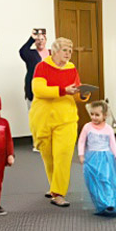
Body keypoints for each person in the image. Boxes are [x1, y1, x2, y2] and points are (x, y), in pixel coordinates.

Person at [29, 37, 90, 208]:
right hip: (43, 119)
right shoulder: (42, 67)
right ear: (55, 51)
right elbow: (38, 90)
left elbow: (76, 93)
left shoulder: (72, 68)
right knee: (49, 157)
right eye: (65, 50)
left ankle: (58, 193)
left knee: (63, 155)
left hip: (67, 119)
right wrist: (63, 90)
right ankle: (54, 187)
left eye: (70, 51)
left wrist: (83, 94)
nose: (68, 54)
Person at [78, 99, 116, 217]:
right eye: (92, 114)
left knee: (106, 179)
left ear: (104, 115)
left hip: (105, 158)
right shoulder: (87, 127)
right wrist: (81, 155)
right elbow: (81, 142)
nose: (94, 117)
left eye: (97, 115)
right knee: (94, 181)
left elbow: (113, 144)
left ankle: (110, 202)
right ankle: (101, 204)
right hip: (91, 158)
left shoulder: (108, 129)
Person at [18, 28, 49, 109]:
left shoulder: (52, 53)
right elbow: (22, 51)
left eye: (42, 39)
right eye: (37, 39)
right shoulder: (31, 54)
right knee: (34, 116)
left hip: (48, 91)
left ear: (46, 40)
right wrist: (31, 38)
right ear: (35, 42)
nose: (40, 41)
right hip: (33, 91)